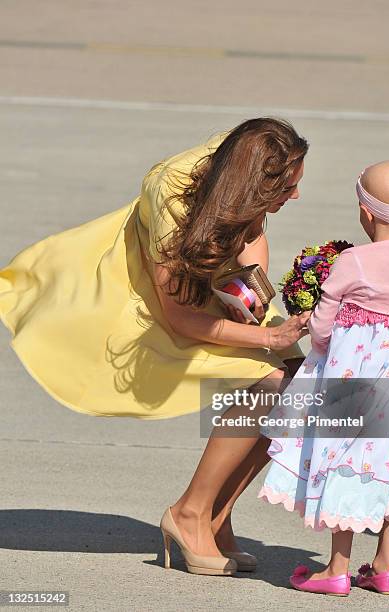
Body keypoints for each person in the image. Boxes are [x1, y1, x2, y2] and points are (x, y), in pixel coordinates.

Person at [0, 117, 311, 575]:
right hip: (143, 300)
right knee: (270, 381)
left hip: (205, 279)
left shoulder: (240, 168)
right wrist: (266, 336)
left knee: (302, 384)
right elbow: (178, 316)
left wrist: (254, 295)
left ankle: (214, 517)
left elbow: (252, 233)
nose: (296, 196)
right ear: (256, 182)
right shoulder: (172, 195)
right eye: (288, 188)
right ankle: (188, 514)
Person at [258, 161, 389, 595]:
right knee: (385, 466)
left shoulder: (352, 262)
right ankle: (385, 567)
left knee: (343, 465)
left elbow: (322, 327)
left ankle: (336, 569)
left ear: (364, 213)